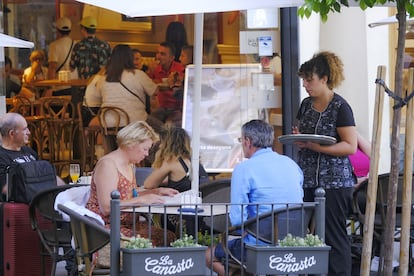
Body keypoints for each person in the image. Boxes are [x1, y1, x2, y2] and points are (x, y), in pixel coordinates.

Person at [205, 119, 304, 276]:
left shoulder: (244, 169)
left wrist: (243, 231)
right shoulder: (291, 164)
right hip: (292, 241)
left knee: (209, 255)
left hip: (259, 244)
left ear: (247, 141)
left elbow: (237, 220)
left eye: (241, 140)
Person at [293, 51, 357, 276]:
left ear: (324, 79)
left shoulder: (341, 107)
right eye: (304, 80)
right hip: (308, 178)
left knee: (333, 234)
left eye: (309, 80)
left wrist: (316, 147)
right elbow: (301, 134)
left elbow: (350, 145)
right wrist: (299, 139)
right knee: (303, 234)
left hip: (335, 183)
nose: (305, 85)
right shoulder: (305, 105)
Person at [85, 121, 178, 245]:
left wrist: (156, 192)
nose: (146, 154)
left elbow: (128, 195)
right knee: (162, 239)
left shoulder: (129, 165)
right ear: (131, 144)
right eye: (145, 149)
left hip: (129, 226)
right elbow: (106, 207)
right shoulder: (108, 165)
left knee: (169, 236)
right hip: (106, 230)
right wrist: (142, 200)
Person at [88, 44, 163, 136]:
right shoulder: (138, 74)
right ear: (130, 58)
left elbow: (99, 97)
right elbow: (155, 91)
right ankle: (150, 150)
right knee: (164, 130)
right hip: (135, 122)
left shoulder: (104, 78)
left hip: (109, 123)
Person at [0, 113, 66, 196]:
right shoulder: (2, 157)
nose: (29, 132)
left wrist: (66, 191)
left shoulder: (29, 151)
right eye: (24, 129)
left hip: (43, 198)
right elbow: (6, 189)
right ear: (12, 134)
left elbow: (49, 177)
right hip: (29, 202)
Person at [143, 126, 192, 192]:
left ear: (168, 144)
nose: (160, 146)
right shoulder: (191, 159)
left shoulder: (172, 161)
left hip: (181, 200)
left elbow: (148, 185)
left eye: (161, 142)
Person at [148, 42, 185, 126]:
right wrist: (150, 71)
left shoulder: (180, 69)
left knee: (169, 125)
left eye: (162, 54)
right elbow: (148, 86)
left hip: (177, 108)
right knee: (148, 123)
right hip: (161, 107)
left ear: (171, 58)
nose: (158, 57)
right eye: (157, 53)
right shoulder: (155, 68)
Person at [69, 16, 111, 80]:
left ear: (83, 29)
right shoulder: (105, 45)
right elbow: (111, 65)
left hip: (84, 85)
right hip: (100, 85)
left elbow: (72, 67)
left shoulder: (78, 46)